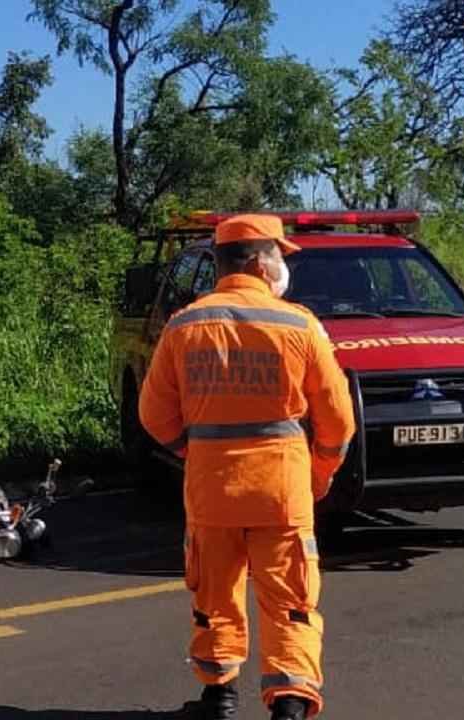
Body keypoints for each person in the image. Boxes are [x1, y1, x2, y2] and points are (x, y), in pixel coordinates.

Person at [138, 214, 356, 720]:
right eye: (281, 255)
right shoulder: (299, 324)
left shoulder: (184, 324)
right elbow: (338, 421)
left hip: (212, 490)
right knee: (290, 600)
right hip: (282, 489)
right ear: (261, 262)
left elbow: (153, 414)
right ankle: (290, 705)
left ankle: (219, 698)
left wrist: (195, 453)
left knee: (215, 595)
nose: (283, 265)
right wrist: (319, 474)